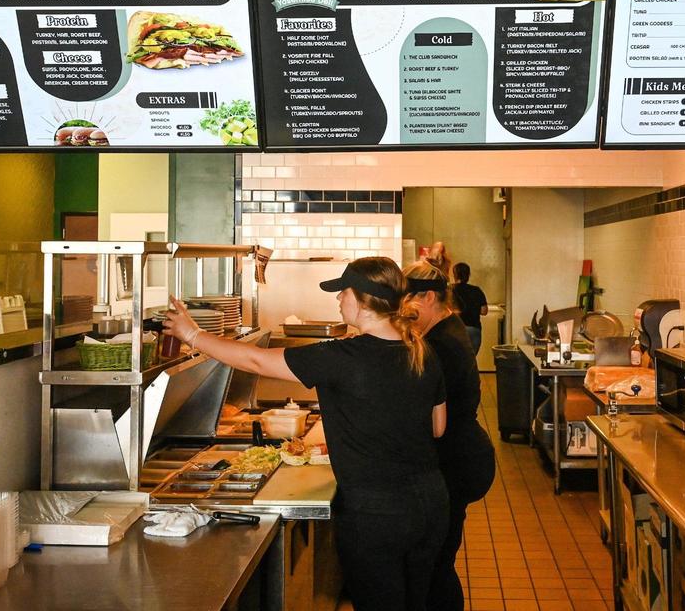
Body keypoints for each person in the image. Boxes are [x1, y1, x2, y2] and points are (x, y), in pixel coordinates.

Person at [164, 257, 449, 611]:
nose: (338, 299)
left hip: (375, 515)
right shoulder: (422, 351)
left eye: (343, 292)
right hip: (430, 504)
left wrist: (193, 334)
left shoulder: (342, 356)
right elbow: (437, 427)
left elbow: (255, 360)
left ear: (363, 301)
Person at [403, 260, 496, 611]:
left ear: (429, 297)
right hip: (461, 456)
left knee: (436, 564)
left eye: (408, 299)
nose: (403, 309)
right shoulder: (445, 329)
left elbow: (428, 416)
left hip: (457, 462)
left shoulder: (442, 344)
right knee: (437, 561)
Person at [450, 262, 488, 355]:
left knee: (455, 359)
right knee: (471, 359)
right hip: (474, 330)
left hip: (454, 329)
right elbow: (484, 311)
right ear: (468, 275)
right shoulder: (476, 290)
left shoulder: (449, 290)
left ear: (454, 275)